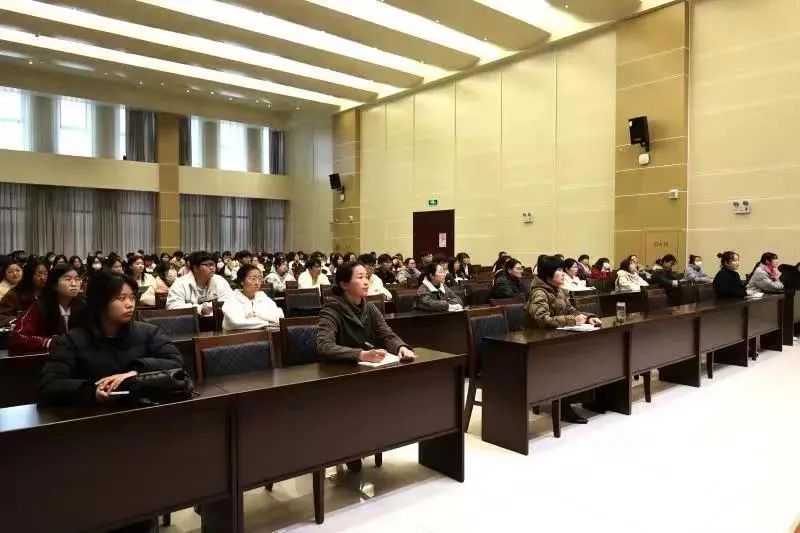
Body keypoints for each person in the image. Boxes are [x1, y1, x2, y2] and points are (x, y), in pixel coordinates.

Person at [317, 260, 414, 472]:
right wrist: (360, 354)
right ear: (344, 284)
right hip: (338, 375)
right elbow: (324, 346)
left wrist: (401, 347)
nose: (366, 282)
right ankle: (349, 448)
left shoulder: (369, 307)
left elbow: (386, 335)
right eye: (359, 277)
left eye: (366, 277)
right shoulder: (331, 310)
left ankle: (367, 441)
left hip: (364, 372)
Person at [37, 270, 183, 408]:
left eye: (132, 297)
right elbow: (49, 385)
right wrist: (92, 392)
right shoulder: (72, 340)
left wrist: (136, 372)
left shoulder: (148, 332)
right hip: (92, 416)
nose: (130, 304)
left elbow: (176, 362)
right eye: (121, 298)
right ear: (100, 302)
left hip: (141, 411)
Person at [525, 255, 602, 424]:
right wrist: (572, 320)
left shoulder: (557, 290)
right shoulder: (539, 293)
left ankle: (591, 397)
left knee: (594, 351)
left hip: (557, 339)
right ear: (548, 275)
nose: (562, 274)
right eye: (559, 270)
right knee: (573, 358)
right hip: (539, 345)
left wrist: (588, 318)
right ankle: (563, 405)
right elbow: (543, 320)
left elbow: (571, 310)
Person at [8, 265, 85, 356]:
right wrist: (49, 342)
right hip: (49, 358)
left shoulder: (85, 306)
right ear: (54, 285)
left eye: (77, 279)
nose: (74, 284)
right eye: (68, 279)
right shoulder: (40, 307)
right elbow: (17, 337)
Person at [166, 251, 233, 315]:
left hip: (216, 320)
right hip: (189, 321)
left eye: (213, 264)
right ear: (195, 268)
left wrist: (210, 306)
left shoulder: (220, 280)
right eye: (207, 265)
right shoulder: (180, 283)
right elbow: (172, 306)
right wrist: (199, 309)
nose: (212, 268)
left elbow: (230, 300)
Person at [222, 264, 284, 331]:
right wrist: (267, 323)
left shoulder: (262, 296)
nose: (257, 283)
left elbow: (280, 317)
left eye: (259, 279)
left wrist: (256, 314)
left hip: (262, 335)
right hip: (236, 336)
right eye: (253, 279)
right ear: (242, 281)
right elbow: (237, 322)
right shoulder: (232, 298)